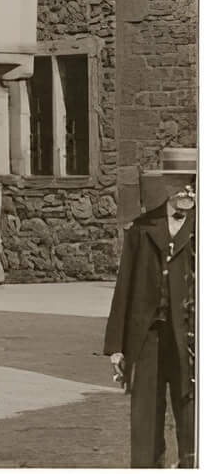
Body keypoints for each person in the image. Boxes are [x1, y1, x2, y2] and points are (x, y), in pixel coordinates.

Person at [106, 145, 198, 468]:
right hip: (147, 340)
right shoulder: (142, 230)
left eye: (194, 182)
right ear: (167, 185)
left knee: (192, 422)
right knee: (145, 420)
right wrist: (116, 347)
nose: (189, 189)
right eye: (182, 182)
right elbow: (124, 289)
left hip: (188, 341)